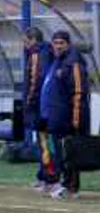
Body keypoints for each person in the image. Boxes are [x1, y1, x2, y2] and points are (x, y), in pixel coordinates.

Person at [39, 30, 90, 199]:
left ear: (68, 44)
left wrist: (76, 119)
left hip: (68, 118)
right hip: (56, 117)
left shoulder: (73, 63)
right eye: (56, 43)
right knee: (61, 154)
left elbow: (78, 93)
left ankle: (71, 188)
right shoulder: (58, 61)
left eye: (61, 43)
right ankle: (63, 183)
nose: (58, 46)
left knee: (71, 154)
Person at [22, 27, 53, 191]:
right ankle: (44, 176)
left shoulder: (36, 55)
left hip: (40, 106)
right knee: (46, 143)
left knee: (45, 143)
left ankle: (49, 179)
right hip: (47, 105)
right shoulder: (48, 52)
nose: (24, 45)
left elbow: (35, 81)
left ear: (33, 40)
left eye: (26, 41)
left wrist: (28, 102)